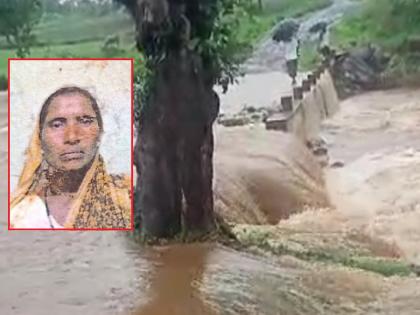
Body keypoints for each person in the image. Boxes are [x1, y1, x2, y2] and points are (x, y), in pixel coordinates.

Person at [10, 86, 131, 229]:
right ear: (39, 139)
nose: (72, 137)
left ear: (100, 132)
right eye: (57, 125)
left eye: (85, 121)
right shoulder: (22, 216)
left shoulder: (126, 200)